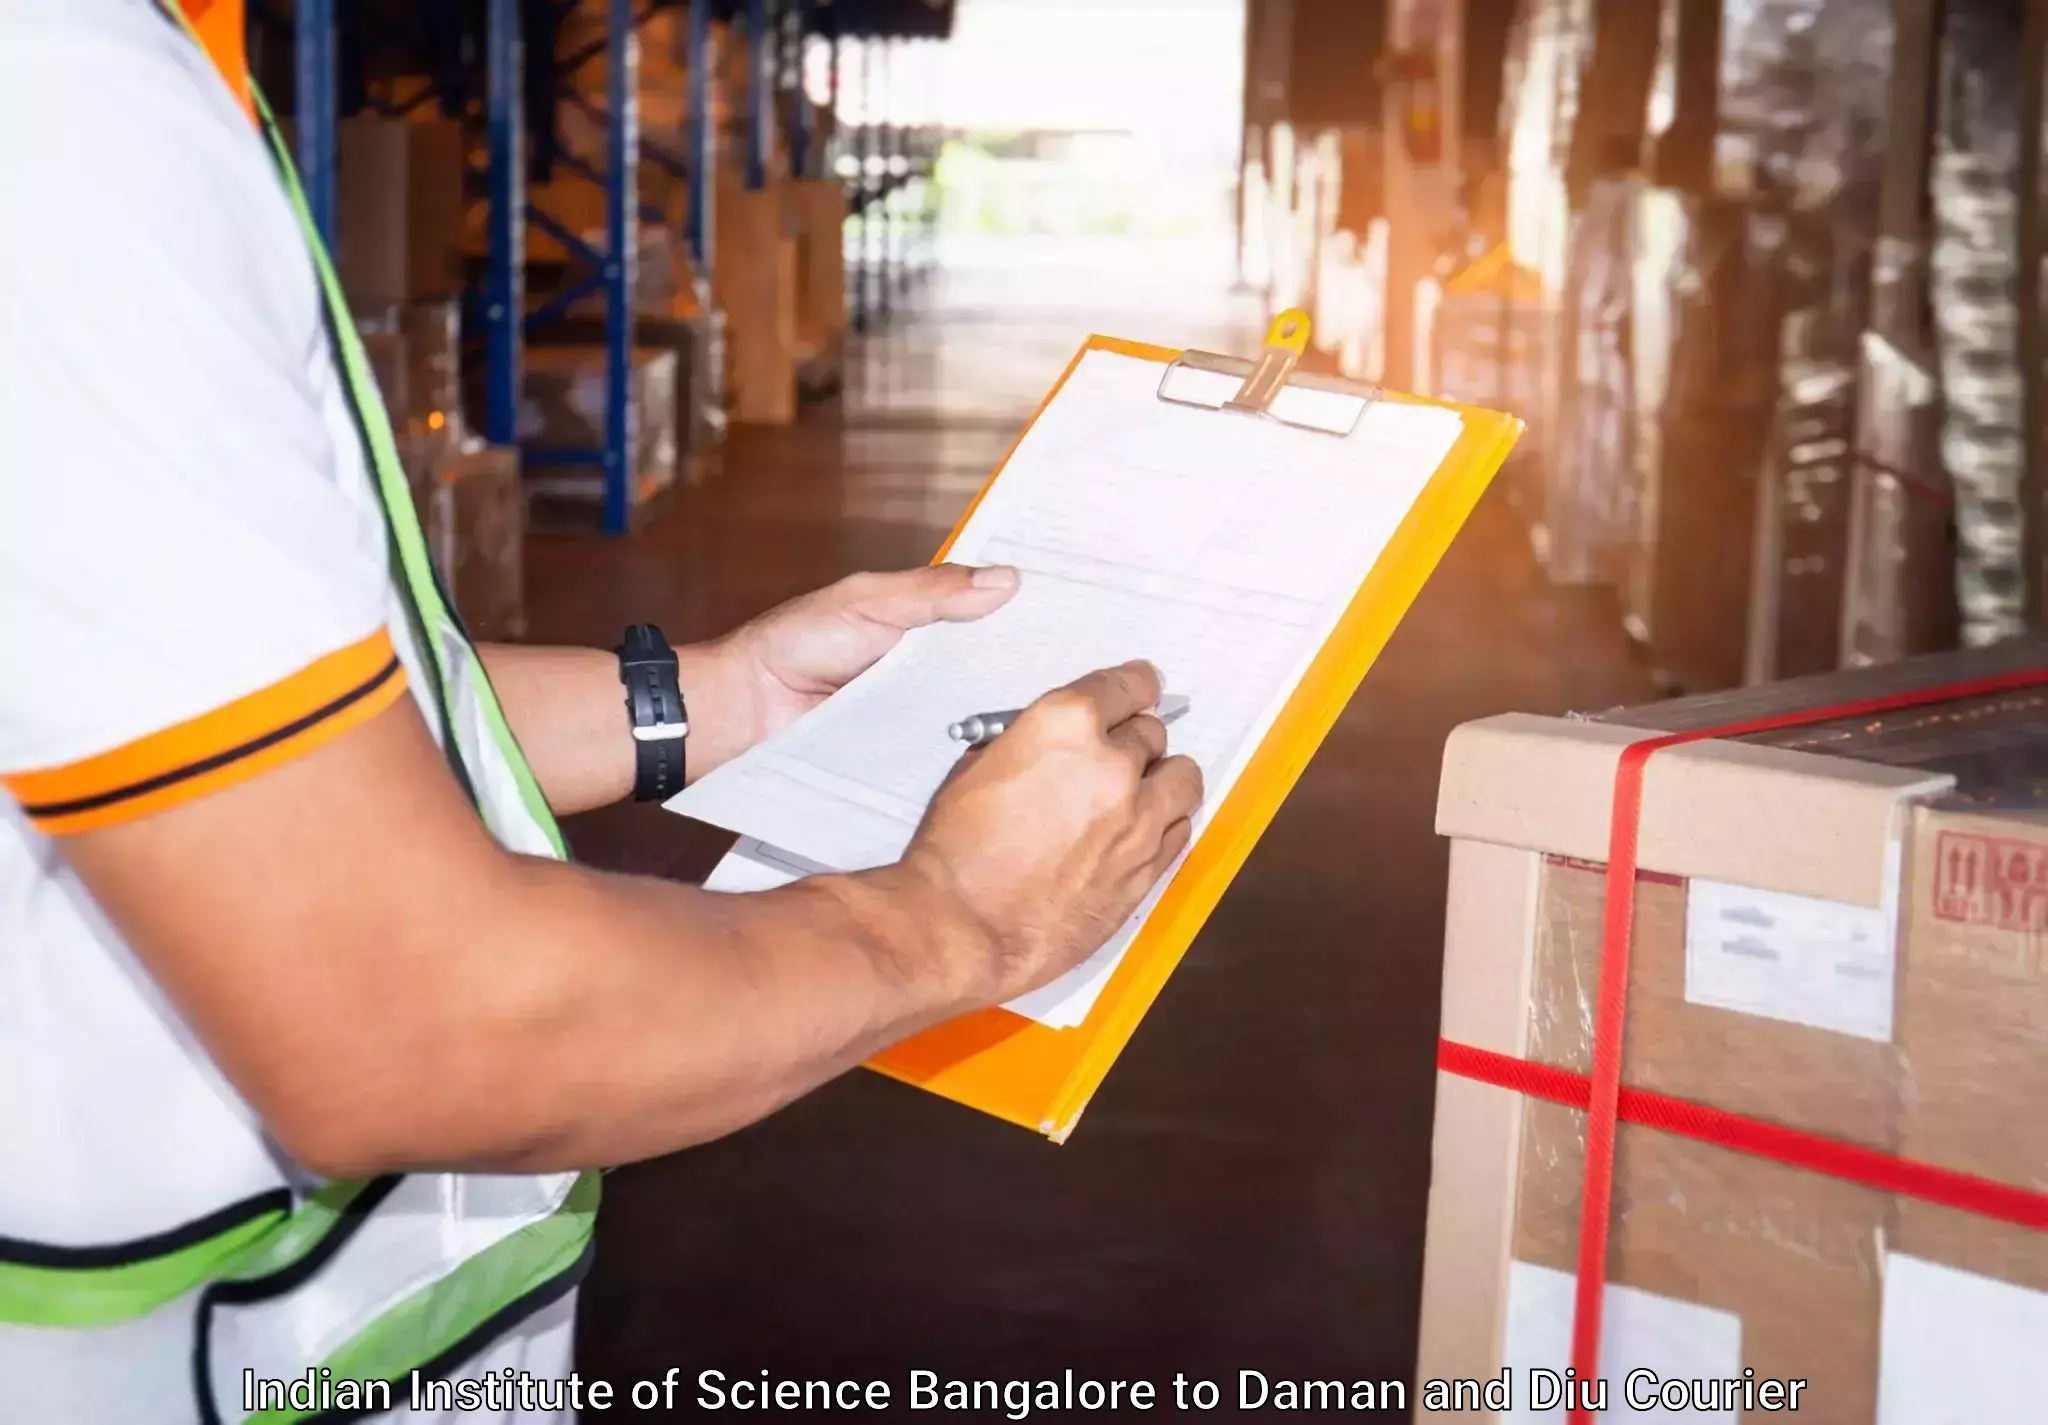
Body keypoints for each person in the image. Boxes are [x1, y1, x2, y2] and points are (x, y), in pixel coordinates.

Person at [0, 1, 1204, 1419]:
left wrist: (727, 697)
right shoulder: (61, 109)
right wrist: (955, 920)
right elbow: (413, 1023)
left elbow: (203, 716)